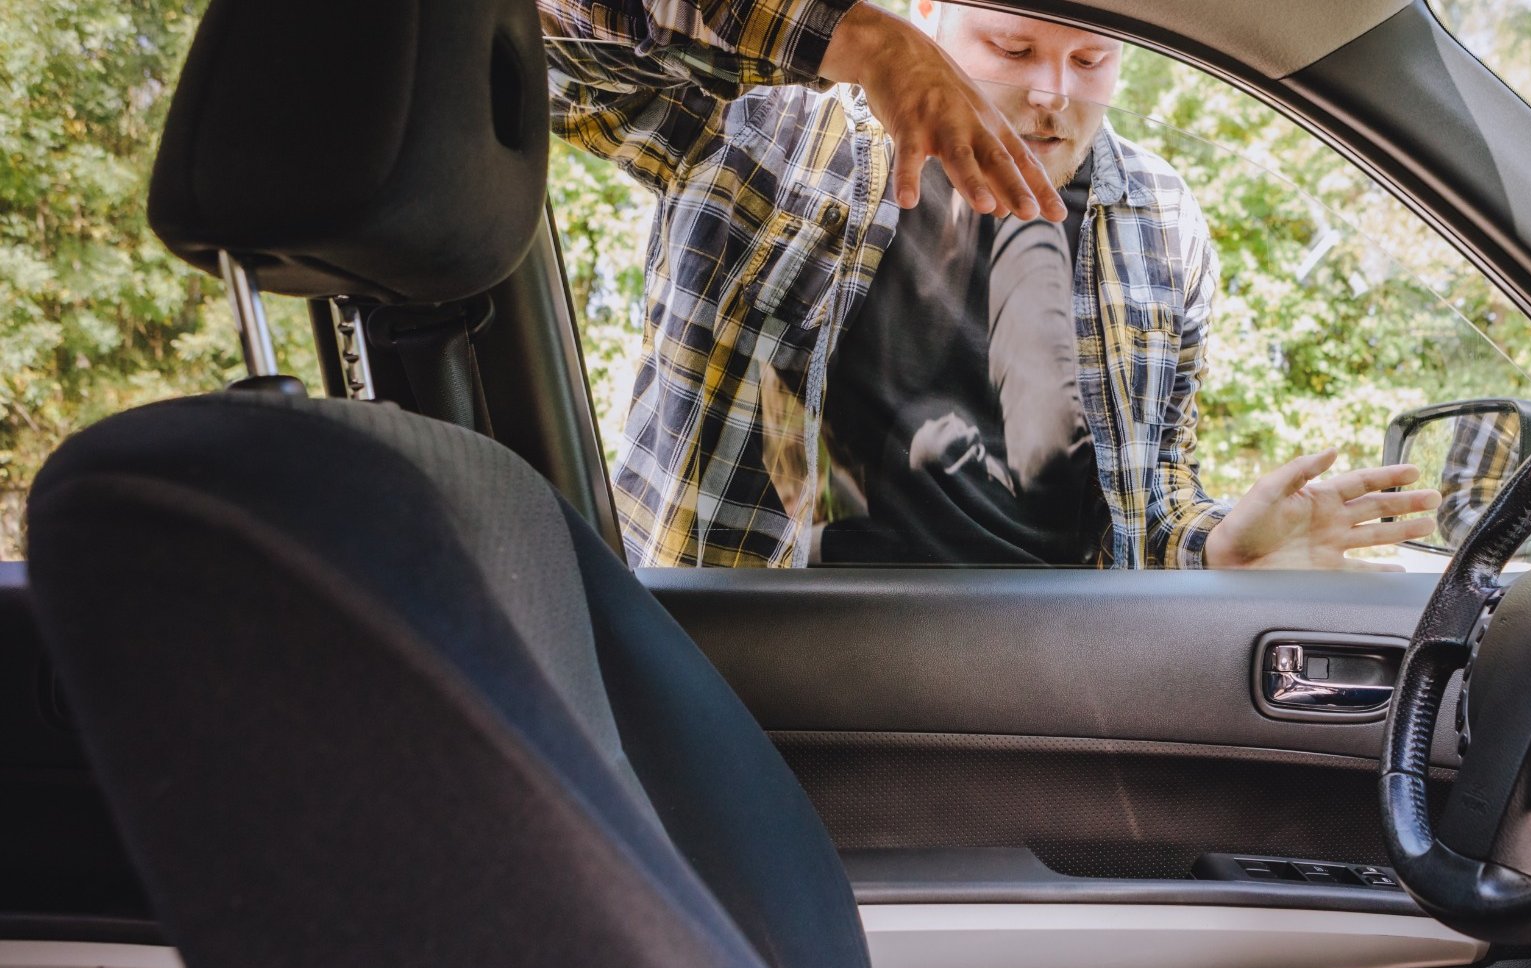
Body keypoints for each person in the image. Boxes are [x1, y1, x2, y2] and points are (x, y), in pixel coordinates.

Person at [543, 0, 1439, 568]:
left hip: (1039, 679)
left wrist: (1219, 548)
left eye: (1092, 60)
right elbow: (547, 37)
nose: (1055, 91)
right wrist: (855, 38)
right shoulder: (761, 128)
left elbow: (1148, 494)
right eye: (1013, 44)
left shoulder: (1161, 219)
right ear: (927, 14)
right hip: (760, 656)